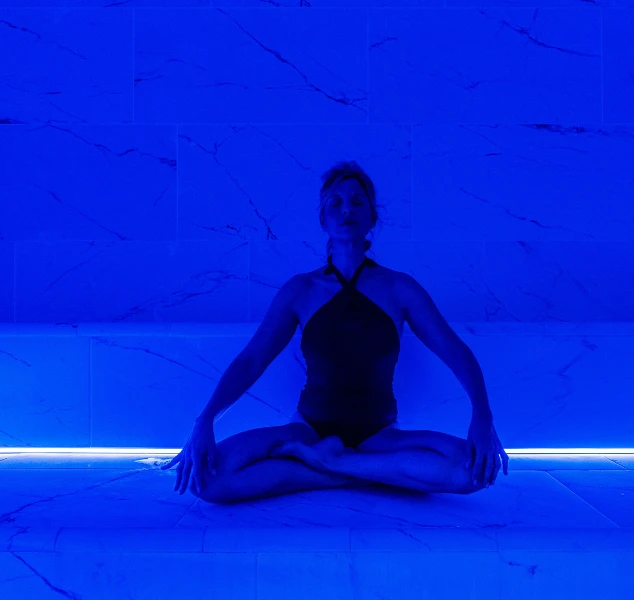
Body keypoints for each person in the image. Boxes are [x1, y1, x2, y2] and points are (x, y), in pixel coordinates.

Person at [162, 160, 508, 504]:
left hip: (381, 435)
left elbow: (455, 350)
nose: (347, 210)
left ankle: (338, 463)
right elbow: (251, 360)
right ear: (323, 219)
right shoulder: (301, 290)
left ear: (373, 218)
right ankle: (358, 470)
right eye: (336, 202)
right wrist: (204, 419)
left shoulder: (400, 289)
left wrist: (483, 416)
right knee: (206, 480)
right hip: (309, 430)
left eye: (358, 202)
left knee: (474, 471)